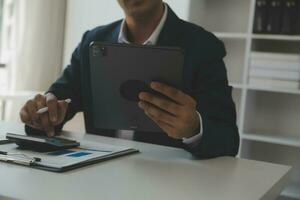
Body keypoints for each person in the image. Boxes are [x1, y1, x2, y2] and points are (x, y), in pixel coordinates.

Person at [20, 0, 239, 159]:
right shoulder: (93, 41)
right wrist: (42, 114)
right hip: (99, 176)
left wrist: (194, 128)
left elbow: (228, 139)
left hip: (171, 183)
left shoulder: (203, 46)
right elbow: (58, 99)